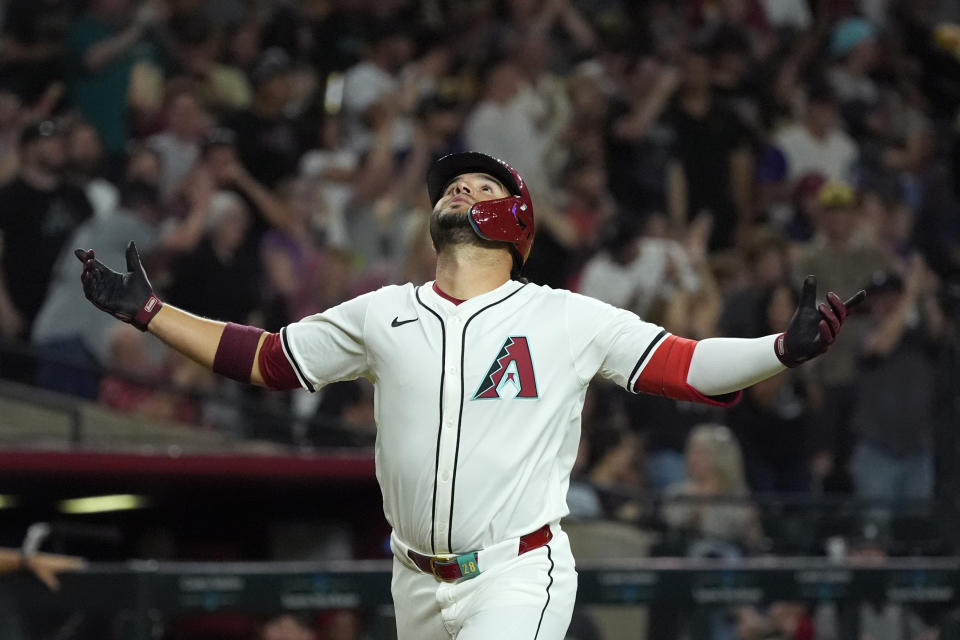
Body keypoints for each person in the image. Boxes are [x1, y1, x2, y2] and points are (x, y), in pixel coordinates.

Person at [74, 151, 864, 640]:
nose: (457, 190)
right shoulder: (381, 309)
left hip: (519, 571)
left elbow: (685, 365)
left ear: (514, 218)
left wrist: (782, 349)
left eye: (478, 183)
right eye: (451, 185)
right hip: (414, 579)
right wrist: (152, 314)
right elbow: (271, 360)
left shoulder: (563, 315)